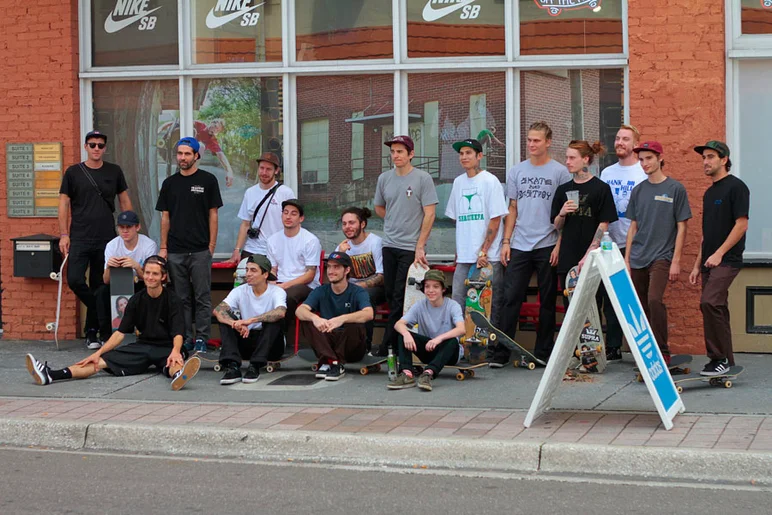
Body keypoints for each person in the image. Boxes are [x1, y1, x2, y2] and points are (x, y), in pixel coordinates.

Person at [25, 256, 201, 391]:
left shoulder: (173, 300)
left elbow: (178, 333)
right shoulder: (136, 300)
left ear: (163, 277)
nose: (150, 277)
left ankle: (179, 375)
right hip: (143, 347)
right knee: (98, 362)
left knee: (175, 360)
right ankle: (51, 375)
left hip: (167, 346)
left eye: (155, 274)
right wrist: (98, 353)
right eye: (147, 273)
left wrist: (176, 350)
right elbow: (120, 333)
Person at [493, 122, 571, 367]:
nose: (531, 144)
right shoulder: (517, 171)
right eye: (529, 140)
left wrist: (559, 245)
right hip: (520, 243)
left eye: (536, 140)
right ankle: (501, 353)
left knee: (547, 300)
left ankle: (543, 353)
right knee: (510, 297)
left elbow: (567, 213)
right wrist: (506, 241)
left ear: (548, 142)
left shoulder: (560, 172)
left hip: (548, 242)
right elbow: (512, 208)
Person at [58, 130, 132, 349]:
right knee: (75, 279)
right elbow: (63, 204)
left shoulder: (114, 171)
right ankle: (100, 313)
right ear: (85, 147)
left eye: (100, 145)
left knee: (100, 285)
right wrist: (64, 234)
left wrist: (130, 230)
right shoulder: (73, 172)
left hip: (106, 237)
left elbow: (124, 201)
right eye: (92, 145)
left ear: (105, 148)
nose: (96, 148)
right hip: (79, 236)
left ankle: (92, 332)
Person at [625, 141, 692, 365]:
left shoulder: (675, 189)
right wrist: (627, 259)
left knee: (654, 300)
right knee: (640, 306)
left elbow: (682, 227)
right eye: (641, 160)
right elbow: (633, 227)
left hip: (662, 256)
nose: (644, 163)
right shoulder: (638, 191)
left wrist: (676, 261)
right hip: (638, 257)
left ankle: (663, 351)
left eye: (649, 158)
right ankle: (646, 352)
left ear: (660, 158)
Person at [156, 137, 223, 354]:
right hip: (176, 251)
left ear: (196, 156)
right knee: (181, 299)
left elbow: (213, 215)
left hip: (201, 250)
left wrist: (211, 245)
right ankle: (185, 338)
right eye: (180, 153)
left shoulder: (208, 180)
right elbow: (165, 217)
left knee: (202, 297)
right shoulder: (169, 184)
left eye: (187, 154)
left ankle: (202, 338)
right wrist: (164, 247)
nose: (182, 158)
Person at [373, 135, 439, 357]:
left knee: (402, 296)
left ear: (411, 154)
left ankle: (389, 346)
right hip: (389, 244)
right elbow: (379, 207)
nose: (395, 155)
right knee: (391, 293)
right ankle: (397, 344)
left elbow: (430, 214)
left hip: (411, 247)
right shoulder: (384, 178)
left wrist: (420, 245)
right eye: (392, 151)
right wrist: (394, 220)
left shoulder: (423, 178)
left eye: (400, 151)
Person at [689, 141, 750, 376]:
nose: (705, 161)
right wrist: (697, 265)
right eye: (704, 157)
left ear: (724, 160)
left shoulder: (737, 187)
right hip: (709, 262)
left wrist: (719, 253)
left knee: (709, 302)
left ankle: (717, 358)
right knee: (718, 308)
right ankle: (727, 361)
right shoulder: (709, 193)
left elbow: (741, 224)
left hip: (727, 260)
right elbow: (707, 233)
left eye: (711, 157)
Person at [445, 138, 508, 327]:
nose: (464, 157)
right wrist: (458, 251)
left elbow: (495, 219)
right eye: (461, 153)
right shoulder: (458, 182)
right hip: (464, 257)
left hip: (488, 258)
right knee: (458, 302)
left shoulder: (490, 181)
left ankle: (491, 342)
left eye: (468, 153)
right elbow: (457, 219)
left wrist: (484, 250)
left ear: (479, 156)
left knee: (488, 305)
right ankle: (459, 342)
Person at [600, 125, 648, 360]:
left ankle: (642, 349)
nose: (619, 142)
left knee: (634, 297)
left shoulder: (642, 172)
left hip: (636, 244)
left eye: (626, 139)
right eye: (618, 138)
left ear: (635, 144)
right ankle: (613, 346)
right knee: (610, 298)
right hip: (610, 243)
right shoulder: (607, 173)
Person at [552, 140, 618, 294]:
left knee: (593, 302)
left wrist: (589, 253)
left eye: (572, 158)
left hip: (593, 256)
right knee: (570, 301)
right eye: (567, 158)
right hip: (568, 255)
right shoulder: (563, 189)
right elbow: (557, 225)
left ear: (585, 159)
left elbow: (604, 223)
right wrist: (562, 213)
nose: (567, 162)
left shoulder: (601, 188)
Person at [296, 252, 374, 381]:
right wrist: (315, 318)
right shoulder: (321, 290)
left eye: (336, 267)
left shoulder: (357, 291)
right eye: (329, 267)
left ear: (347, 270)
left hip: (351, 345)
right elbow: (300, 310)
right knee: (307, 320)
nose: (331, 271)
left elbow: (368, 313)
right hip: (328, 340)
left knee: (355, 322)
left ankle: (330, 361)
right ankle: (333, 362)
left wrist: (342, 319)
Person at [213, 255, 287, 385]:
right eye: (247, 270)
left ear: (265, 274)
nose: (248, 274)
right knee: (225, 318)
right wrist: (235, 324)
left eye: (253, 270)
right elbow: (218, 310)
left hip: (271, 346)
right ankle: (232, 366)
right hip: (246, 339)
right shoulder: (239, 290)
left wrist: (250, 321)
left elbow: (280, 312)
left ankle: (255, 366)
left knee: (273, 319)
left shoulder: (277, 291)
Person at [387, 270, 465, 392]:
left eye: (435, 286)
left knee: (453, 341)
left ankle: (428, 374)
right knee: (402, 334)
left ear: (443, 289)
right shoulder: (420, 305)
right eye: (427, 286)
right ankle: (407, 374)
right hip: (428, 350)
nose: (430, 290)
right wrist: (406, 334)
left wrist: (439, 339)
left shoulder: (452, 305)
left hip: (448, 352)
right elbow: (398, 324)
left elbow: (461, 329)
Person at [266, 199, 322, 346]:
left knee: (288, 295)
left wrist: (283, 286)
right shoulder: (273, 240)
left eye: (293, 213)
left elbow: (310, 275)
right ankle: (255, 333)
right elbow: (273, 269)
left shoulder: (310, 240)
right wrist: (271, 284)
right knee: (257, 291)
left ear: (301, 218)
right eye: (285, 213)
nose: (288, 216)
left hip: (305, 285)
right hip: (280, 283)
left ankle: (279, 336)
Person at [95, 210, 158, 338]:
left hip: (141, 283)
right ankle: (106, 336)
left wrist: (136, 266)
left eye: (128, 227)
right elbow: (106, 280)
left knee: (149, 293)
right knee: (101, 293)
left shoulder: (148, 245)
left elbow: (153, 279)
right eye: (121, 227)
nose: (125, 231)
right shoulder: (112, 245)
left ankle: (146, 332)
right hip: (118, 283)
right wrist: (109, 267)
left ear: (137, 227)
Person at [335, 207, 385, 351]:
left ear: (362, 224)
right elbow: (335, 277)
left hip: (375, 289)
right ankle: (337, 344)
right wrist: (341, 256)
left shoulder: (375, 242)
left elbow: (382, 276)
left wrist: (359, 287)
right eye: (344, 224)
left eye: (351, 223)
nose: (347, 227)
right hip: (350, 289)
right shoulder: (342, 247)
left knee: (364, 296)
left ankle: (364, 346)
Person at [230, 152, 295, 261]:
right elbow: (245, 224)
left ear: (276, 170)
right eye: (262, 168)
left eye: (268, 169)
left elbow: (294, 223)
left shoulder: (286, 193)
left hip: (278, 251)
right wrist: (237, 250)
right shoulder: (250, 192)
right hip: (252, 249)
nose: (264, 172)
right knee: (244, 272)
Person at [194, 119, 234, 187]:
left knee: (201, 146)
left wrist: (229, 171)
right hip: (181, 148)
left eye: (217, 130)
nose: (215, 130)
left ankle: (192, 172)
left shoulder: (212, 140)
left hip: (190, 159)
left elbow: (221, 155)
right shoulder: (200, 125)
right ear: (211, 123)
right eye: (215, 126)